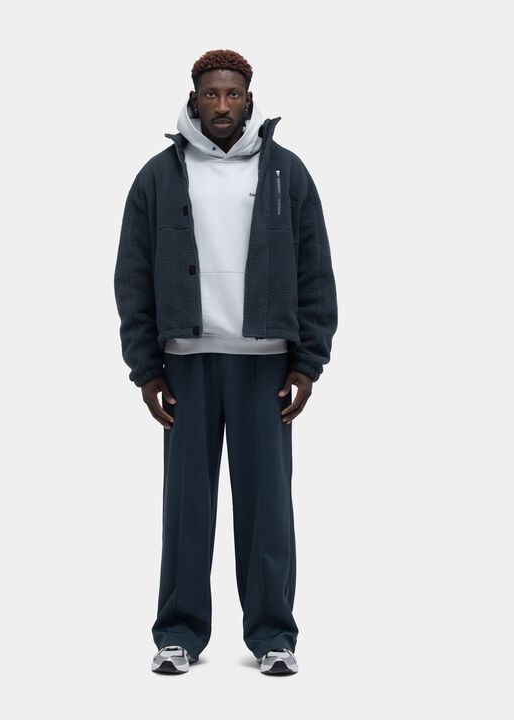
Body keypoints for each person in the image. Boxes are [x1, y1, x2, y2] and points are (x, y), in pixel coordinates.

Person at [114, 49, 338, 675]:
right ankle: (178, 634)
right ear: (193, 98)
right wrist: (146, 368)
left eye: (232, 94)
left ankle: (273, 637)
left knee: (268, 508)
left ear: (249, 99)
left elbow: (315, 269)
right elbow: (132, 275)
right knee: (186, 507)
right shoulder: (158, 176)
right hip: (185, 363)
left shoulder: (286, 172)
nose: (221, 105)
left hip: (265, 364)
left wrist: (307, 362)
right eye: (210, 94)